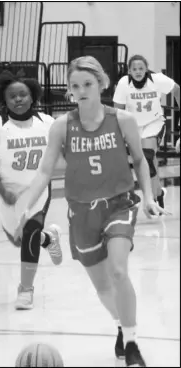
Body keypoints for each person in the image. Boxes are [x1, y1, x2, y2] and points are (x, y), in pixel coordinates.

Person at [15, 56, 169, 367]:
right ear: (69, 91)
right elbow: (45, 171)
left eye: (87, 84)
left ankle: (133, 344)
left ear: (101, 84)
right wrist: (26, 207)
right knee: (102, 287)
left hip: (119, 204)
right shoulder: (62, 126)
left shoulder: (122, 120)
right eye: (74, 86)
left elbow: (140, 160)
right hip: (81, 211)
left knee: (119, 271)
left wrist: (149, 196)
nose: (81, 90)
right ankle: (120, 326)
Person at [0, 70, 63, 311]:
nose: (18, 100)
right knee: (19, 240)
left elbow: (65, 151)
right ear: (4, 100)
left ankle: (26, 289)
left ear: (32, 96)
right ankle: (49, 238)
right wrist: (1, 190)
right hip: (8, 193)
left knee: (30, 233)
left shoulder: (47, 123)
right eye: (12, 96)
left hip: (37, 190)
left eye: (23, 95)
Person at [113, 54, 180, 210]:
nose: (138, 71)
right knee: (141, 160)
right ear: (129, 71)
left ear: (146, 69)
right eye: (134, 69)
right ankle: (157, 193)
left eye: (141, 68)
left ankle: (151, 198)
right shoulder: (124, 83)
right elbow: (118, 111)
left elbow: (177, 90)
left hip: (153, 123)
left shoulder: (157, 80)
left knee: (147, 155)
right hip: (132, 126)